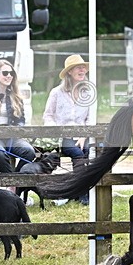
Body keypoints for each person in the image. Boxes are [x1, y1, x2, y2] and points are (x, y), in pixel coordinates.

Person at [43, 54, 93, 204]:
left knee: (91, 151)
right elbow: (48, 116)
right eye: (79, 67)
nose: (82, 70)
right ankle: (82, 195)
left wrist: (83, 136)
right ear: (69, 72)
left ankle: (80, 192)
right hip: (63, 137)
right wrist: (57, 131)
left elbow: (90, 119)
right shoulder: (56, 92)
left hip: (83, 134)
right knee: (78, 153)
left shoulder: (89, 93)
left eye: (84, 67)